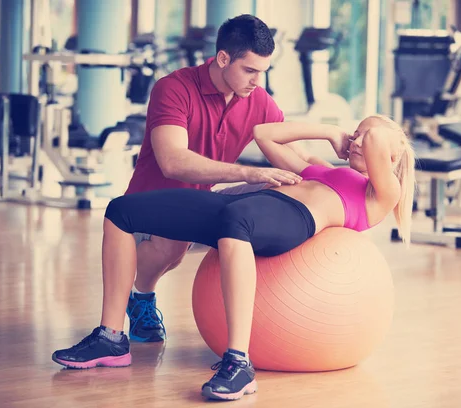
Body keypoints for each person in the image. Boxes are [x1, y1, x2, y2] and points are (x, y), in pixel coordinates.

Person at [52, 115, 416, 401]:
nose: (355, 141)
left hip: (291, 220)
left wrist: (374, 135)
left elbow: (381, 141)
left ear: (390, 156)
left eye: (362, 137)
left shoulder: (380, 194)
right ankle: (112, 337)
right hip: (239, 206)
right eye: (355, 134)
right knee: (121, 211)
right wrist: (329, 131)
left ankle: (239, 362)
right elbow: (264, 134)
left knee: (235, 219)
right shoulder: (323, 169)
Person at [121, 14, 321, 343]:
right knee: (174, 238)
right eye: (250, 71)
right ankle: (140, 296)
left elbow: (296, 159)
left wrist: (339, 176)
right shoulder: (173, 88)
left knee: (282, 187)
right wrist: (247, 171)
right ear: (223, 58)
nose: (258, 81)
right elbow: (172, 162)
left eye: (263, 72)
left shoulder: (258, 100)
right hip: (149, 210)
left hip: (202, 203)